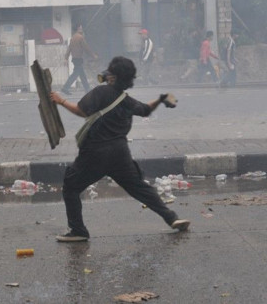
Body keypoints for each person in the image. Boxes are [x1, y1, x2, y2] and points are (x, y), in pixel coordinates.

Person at [49, 56, 190, 242]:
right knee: (139, 188)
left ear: (113, 77)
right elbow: (146, 109)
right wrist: (161, 99)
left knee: (71, 187)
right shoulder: (127, 100)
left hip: (95, 153)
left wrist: (60, 101)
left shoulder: (101, 92)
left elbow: (81, 111)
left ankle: (78, 231)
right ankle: (172, 218)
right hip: (120, 153)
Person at [61, 24, 98, 95]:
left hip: (75, 59)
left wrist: (66, 58)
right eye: (81, 28)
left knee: (82, 74)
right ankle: (65, 88)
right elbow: (86, 48)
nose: (82, 29)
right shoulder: (80, 37)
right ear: (78, 29)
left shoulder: (73, 37)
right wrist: (93, 56)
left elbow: (69, 48)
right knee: (75, 74)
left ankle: (87, 89)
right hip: (78, 59)